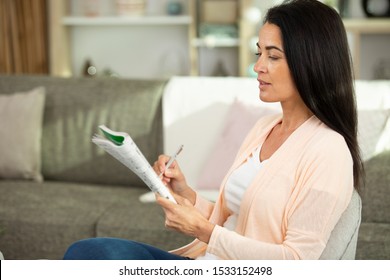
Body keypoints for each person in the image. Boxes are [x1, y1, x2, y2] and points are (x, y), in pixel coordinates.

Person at [63, 0, 364, 260]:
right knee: (88, 253)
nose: (258, 66)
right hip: (205, 261)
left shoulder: (329, 151)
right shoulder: (265, 127)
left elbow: (296, 260)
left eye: (273, 56)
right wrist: (187, 194)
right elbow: (237, 220)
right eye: (259, 53)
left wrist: (200, 229)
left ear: (311, 63)